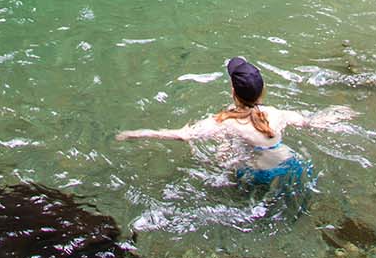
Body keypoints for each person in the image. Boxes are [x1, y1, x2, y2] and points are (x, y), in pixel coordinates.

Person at [115, 56, 352, 192]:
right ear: (263, 92)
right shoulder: (276, 113)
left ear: (233, 92)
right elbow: (311, 123)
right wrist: (340, 112)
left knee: (222, 155)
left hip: (257, 175)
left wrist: (133, 133)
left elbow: (181, 135)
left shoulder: (222, 122)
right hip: (293, 166)